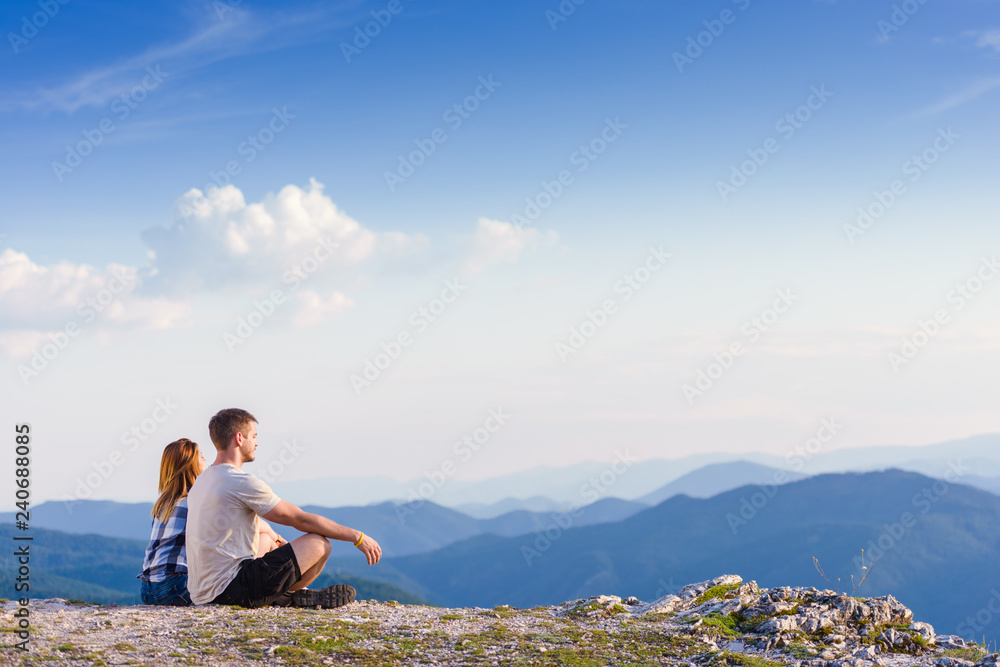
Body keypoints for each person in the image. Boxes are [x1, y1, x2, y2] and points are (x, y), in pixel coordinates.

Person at [186, 408, 382, 609]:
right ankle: (286, 595)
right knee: (319, 544)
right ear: (239, 438)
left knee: (267, 539)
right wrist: (357, 537)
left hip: (201, 592)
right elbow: (300, 519)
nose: (256, 443)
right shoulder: (239, 482)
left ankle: (284, 594)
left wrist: (278, 540)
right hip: (231, 591)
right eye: (253, 436)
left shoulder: (202, 481)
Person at [139, 437, 288, 606]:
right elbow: (256, 524)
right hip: (177, 586)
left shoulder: (161, 505)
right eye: (201, 457)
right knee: (265, 540)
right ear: (191, 465)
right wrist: (278, 539)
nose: (206, 461)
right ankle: (275, 593)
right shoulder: (196, 502)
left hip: (148, 588)